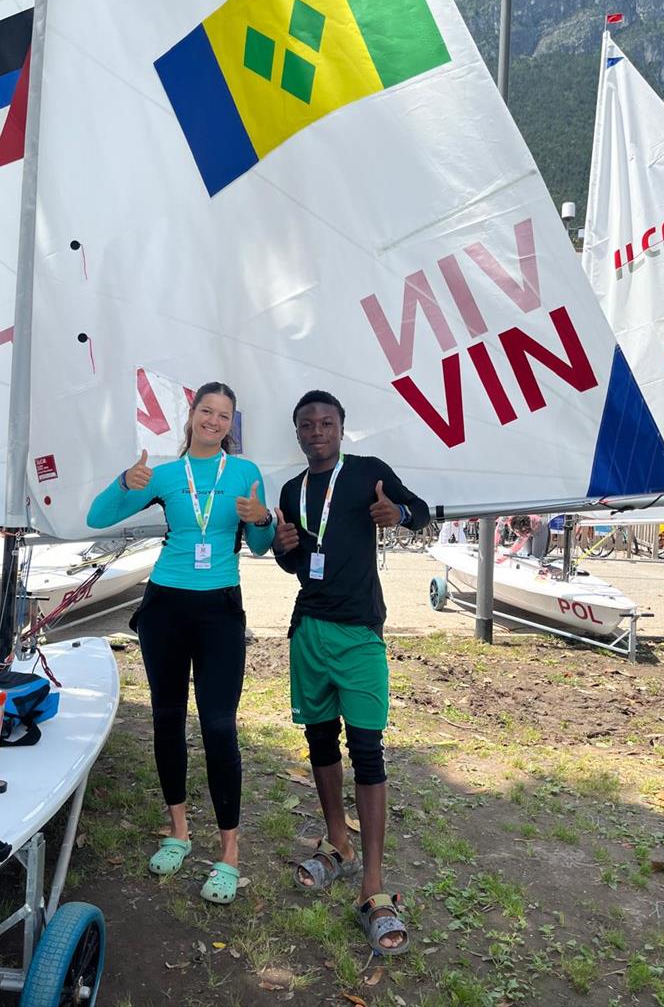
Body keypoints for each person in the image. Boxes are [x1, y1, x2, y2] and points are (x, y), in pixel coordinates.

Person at [87, 382, 274, 905]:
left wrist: (263, 521)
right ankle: (178, 831)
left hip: (220, 608)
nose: (214, 421)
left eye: (224, 416)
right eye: (206, 412)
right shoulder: (165, 475)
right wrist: (125, 482)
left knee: (218, 725)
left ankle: (229, 853)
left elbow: (259, 545)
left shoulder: (245, 472)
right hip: (165, 605)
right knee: (167, 718)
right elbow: (98, 517)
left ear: (231, 426)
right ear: (190, 417)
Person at [272, 390, 429, 955]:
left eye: (327, 423)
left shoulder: (368, 474)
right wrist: (282, 546)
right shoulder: (292, 490)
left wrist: (400, 513)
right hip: (309, 627)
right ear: (298, 433)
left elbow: (423, 512)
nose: (317, 432)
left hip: (360, 631)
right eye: (307, 425)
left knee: (367, 748)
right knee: (319, 739)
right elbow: (293, 562)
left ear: (342, 428)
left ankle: (374, 885)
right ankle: (337, 842)